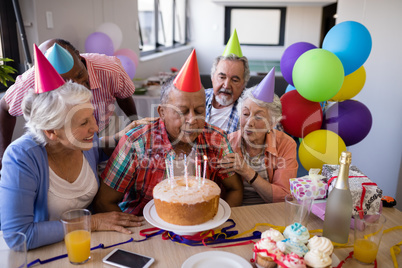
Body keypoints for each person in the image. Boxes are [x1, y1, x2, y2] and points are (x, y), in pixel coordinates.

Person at [0, 46, 143, 250]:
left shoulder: (80, 142)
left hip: (88, 245)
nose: (95, 127)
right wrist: (92, 222)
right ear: (51, 132)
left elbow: (98, 146)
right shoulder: (20, 158)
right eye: (84, 123)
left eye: (92, 116)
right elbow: (19, 236)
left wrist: (126, 135)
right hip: (43, 254)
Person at [94, 50, 243, 216]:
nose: (192, 119)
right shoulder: (136, 143)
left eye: (199, 111)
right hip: (144, 227)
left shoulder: (216, 139)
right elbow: (104, 201)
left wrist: (217, 218)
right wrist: (136, 229)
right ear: (162, 112)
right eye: (182, 111)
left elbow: (235, 189)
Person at [0, 38, 138, 169]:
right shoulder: (29, 82)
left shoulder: (110, 70)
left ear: (78, 56)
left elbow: (124, 98)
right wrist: (2, 154)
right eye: (66, 83)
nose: (78, 86)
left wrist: (134, 125)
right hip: (61, 138)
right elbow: (4, 108)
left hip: (104, 125)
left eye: (79, 75)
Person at [219, 68, 298, 205]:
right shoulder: (227, 143)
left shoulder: (286, 144)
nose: (249, 122)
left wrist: (246, 171)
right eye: (245, 114)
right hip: (235, 210)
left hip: (271, 211)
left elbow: (282, 196)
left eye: (259, 117)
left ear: (272, 123)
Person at [205, 29, 250, 134]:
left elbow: (276, 138)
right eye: (221, 77)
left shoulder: (251, 106)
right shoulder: (198, 98)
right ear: (212, 77)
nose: (226, 85)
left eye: (234, 80)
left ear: (244, 84)